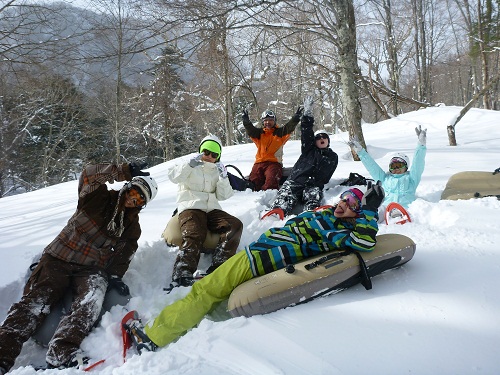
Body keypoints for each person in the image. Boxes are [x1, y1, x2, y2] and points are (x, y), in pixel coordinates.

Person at [123, 181, 385, 352]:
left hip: (259, 258)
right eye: (343, 198)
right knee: (212, 290)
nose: (342, 204)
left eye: (351, 205)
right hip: (262, 255)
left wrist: (370, 211)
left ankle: (153, 337)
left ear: (358, 214)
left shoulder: (339, 229)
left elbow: (362, 242)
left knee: (205, 292)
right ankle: (180, 323)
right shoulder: (329, 215)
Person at [0, 162, 158, 373]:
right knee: (36, 302)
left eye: (140, 199)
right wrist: (122, 171)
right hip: (59, 257)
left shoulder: (131, 225)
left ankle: (62, 352)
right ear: (127, 187)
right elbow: (89, 175)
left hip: (91, 269)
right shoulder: (98, 198)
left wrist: (115, 276)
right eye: (134, 191)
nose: (133, 199)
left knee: (91, 300)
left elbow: (125, 253)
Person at [167, 135, 243, 288]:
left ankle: (219, 266)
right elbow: (173, 176)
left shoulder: (217, 171)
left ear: (218, 157)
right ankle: (182, 273)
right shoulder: (189, 165)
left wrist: (223, 177)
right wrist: (189, 165)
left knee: (235, 225)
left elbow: (224, 195)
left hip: (212, 209)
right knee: (194, 231)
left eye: (214, 154)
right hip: (191, 206)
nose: (209, 157)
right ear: (201, 151)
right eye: (206, 152)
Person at [262, 100, 339, 220]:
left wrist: (314, 181)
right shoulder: (308, 149)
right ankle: (276, 213)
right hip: (296, 180)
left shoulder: (332, 157)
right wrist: (307, 115)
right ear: (315, 141)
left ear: (328, 141)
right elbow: (306, 132)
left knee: (313, 196)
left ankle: (312, 214)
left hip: (313, 184)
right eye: (318, 138)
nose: (322, 139)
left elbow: (327, 175)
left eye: (325, 137)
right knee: (286, 195)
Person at [348, 125, 427, 217]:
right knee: (373, 212)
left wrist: (421, 145)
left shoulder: (412, 178)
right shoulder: (384, 178)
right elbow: (372, 166)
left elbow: (418, 163)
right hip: (386, 209)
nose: (396, 169)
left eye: (399, 165)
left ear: (406, 167)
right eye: (393, 166)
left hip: (406, 209)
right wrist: (360, 151)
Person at [242, 106, 303, 191]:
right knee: (253, 184)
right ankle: (254, 199)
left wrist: (295, 118)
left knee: (271, 181)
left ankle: (269, 197)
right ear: (263, 122)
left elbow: (289, 127)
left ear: (274, 121)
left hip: (274, 163)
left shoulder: (280, 133)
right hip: (259, 163)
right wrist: (246, 122)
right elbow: (250, 130)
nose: (268, 122)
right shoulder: (259, 134)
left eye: (270, 120)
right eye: (265, 120)